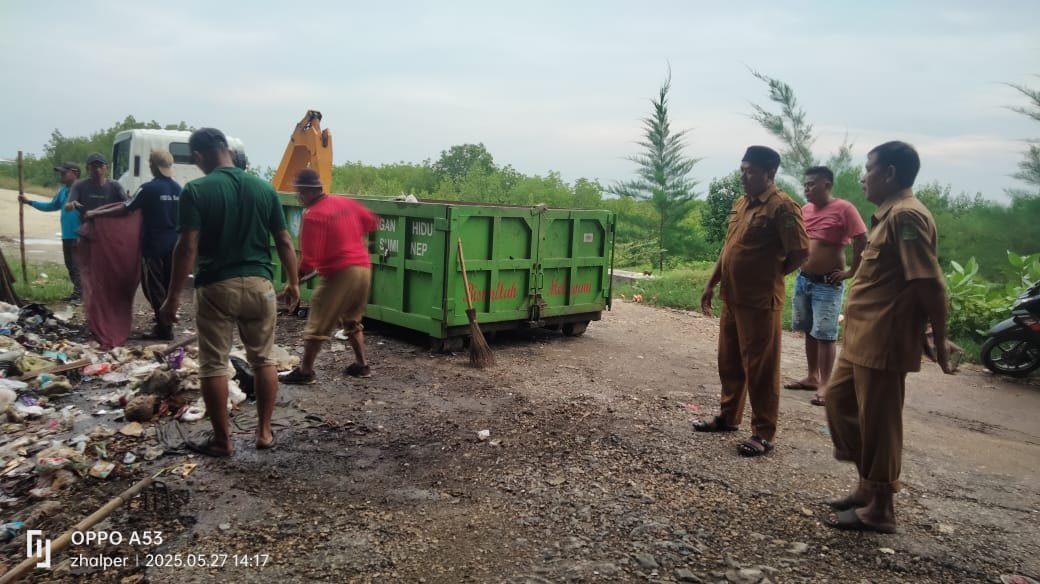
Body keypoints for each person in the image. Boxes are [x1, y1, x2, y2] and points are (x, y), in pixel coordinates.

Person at [824, 141, 954, 534]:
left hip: (885, 338)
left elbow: (930, 284)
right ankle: (869, 486)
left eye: (869, 169)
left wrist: (939, 336)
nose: (863, 177)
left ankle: (882, 508)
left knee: (880, 423)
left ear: (890, 173)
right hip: (862, 336)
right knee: (838, 401)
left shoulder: (907, 217)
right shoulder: (888, 216)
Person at [159, 128, 300, 457]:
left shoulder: (196, 190)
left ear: (198, 157)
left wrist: (171, 297)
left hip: (216, 286)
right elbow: (284, 241)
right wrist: (293, 283)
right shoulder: (265, 189)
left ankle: (223, 440)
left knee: (214, 364)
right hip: (260, 287)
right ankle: (264, 433)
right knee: (264, 359)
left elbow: (187, 247)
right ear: (226, 150)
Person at [694, 146, 810, 457]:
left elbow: (800, 252)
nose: (744, 176)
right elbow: (728, 249)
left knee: (761, 368)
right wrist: (710, 284)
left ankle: (763, 433)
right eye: (742, 169)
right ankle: (728, 416)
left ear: (769, 174)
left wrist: (773, 275)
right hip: (732, 297)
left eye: (750, 171)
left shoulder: (783, 207)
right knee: (729, 361)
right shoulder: (741, 204)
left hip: (760, 302)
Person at [280, 169, 378, 384]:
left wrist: (293, 282)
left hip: (340, 272)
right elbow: (371, 222)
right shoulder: (346, 203)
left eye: (300, 193)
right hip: (363, 268)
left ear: (308, 191)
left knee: (318, 319)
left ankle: (305, 372)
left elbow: (309, 260)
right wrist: (351, 238)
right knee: (351, 319)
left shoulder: (314, 215)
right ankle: (362, 365)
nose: (299, 197)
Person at [784, 166, 868, 406]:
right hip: (804, 279)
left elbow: (862, 238)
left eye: (812, 184)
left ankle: (825, 384)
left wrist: (852, 271)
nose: (807, 188)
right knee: (808, 329)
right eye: (805, 184)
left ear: (827, 185)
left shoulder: (844, 209)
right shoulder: (806, 209)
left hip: (827, 284)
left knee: (825, 334)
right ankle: (811, 376)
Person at [87, 150, 182, 340]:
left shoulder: (148, 189)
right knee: (168, 285)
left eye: (150, 163)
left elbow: (125, 209)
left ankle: (164, 329)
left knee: (153, 288)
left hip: (153, 246)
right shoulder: (178, 189)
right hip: (174, 245)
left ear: (154, 165)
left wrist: (96, 214)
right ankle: (165, 321)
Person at [19, 162, 82, 301]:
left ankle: (81, 294)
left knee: (78, 266)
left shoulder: (83, 189)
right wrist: (29, 202)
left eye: (64, 173)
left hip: (81, 235)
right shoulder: (62, 191)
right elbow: (51, 206)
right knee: (70, 264)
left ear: (75, 173)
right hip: (67, 234)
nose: (61, 175)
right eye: (61, 173)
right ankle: (78, 293)